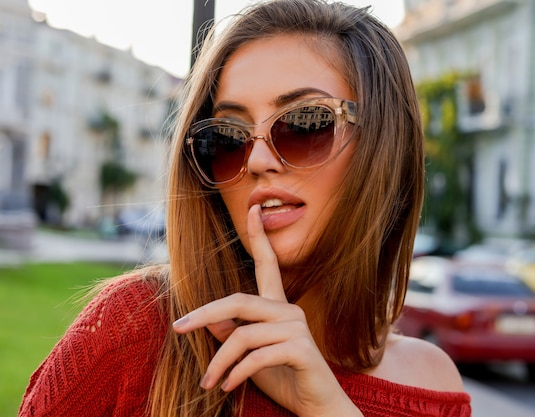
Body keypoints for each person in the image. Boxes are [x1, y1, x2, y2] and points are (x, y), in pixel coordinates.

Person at [19, 1, 472, 416]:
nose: (255, 160)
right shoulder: (134, 330)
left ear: (382, 149)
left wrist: (328, 407)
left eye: (304, 124)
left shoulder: (433, 383)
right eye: (228, 138)